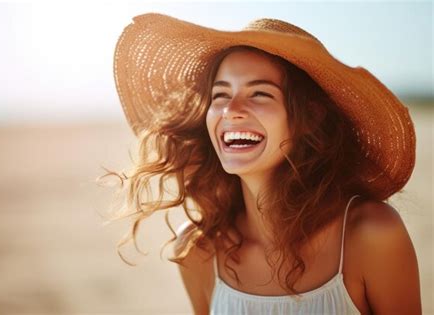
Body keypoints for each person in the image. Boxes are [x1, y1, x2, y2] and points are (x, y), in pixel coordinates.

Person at [107, 13, 421, 314]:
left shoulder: (371, 234)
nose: (231, 110)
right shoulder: (198, 249)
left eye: (259, 93)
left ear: (309, 118)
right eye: (220, 95)